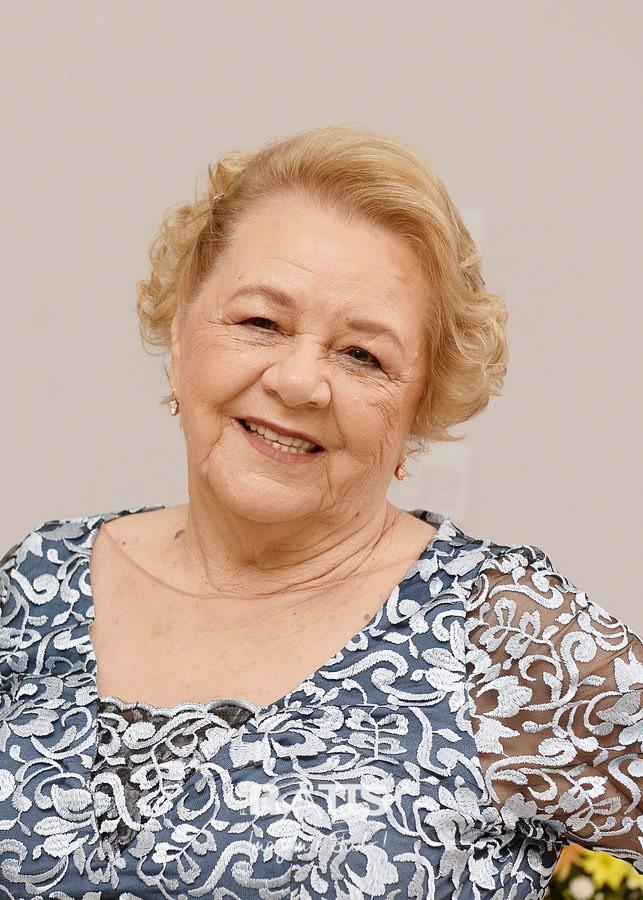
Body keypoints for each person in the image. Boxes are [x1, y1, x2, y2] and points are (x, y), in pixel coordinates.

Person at [0, 124, 640, 899]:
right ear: (180, 330)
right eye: (259, 323)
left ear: (420, 407)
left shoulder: (501, 633)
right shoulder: (38, 582)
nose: (300, 383)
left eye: (362, 355)